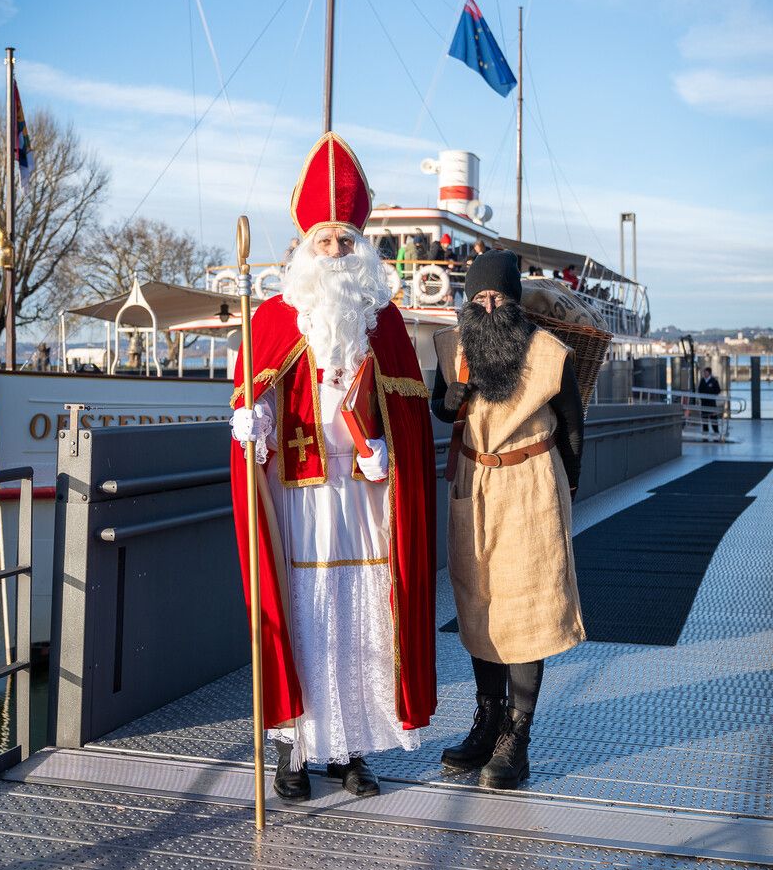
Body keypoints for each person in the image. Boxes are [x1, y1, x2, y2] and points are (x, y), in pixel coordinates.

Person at [230, 132, 436, 803]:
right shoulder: (271, 320)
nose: (337, 251)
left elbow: (409, 417)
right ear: (305, 248)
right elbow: (249, 401)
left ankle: (353, 753)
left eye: (346, 240)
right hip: (298, 504)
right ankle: (292, 755)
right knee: (301, 618)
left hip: (364, 504)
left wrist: (388, 453)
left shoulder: (389, 324)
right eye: (326, 240)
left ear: (362, 247)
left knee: (363, 622)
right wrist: (249, 425)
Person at [431, 250, 585, 789]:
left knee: (529, 608)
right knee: (478, 605)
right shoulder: (452, 349)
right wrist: (450, 399)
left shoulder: (548, 353)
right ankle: (487, 722)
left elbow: (571, 426)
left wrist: (566, 489)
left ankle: (517, 740)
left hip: (529, 485)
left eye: (497, 295)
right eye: (479, 296)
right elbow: (441, 410)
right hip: (474, 485)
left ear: (515, 302)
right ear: (468, 301)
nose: (488, 304)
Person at [697, 366, 721, 436]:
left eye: (706, 372)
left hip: (711, 403)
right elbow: (699, 390)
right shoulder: (702, 380)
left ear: (709, 373)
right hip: (704, 403)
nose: (704, 374)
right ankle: (705, 432)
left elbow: (718, 390)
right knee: (704, 418)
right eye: (704, 372)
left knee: (713, 418)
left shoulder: (714, 381)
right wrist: (702, 397)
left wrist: (711, 395)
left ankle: (716, 432)